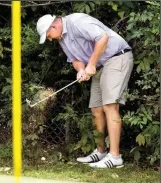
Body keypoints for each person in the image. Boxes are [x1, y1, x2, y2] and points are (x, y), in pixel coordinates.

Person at [36, 13, 133, 168]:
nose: (49, 38)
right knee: (96, 109)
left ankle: (115, 157)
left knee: (110, 106)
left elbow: (102, 38)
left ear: (53, 26)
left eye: (48, 35)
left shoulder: (77, 21)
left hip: (116, 58)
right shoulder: (62, 38)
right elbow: (75, 59)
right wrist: (81, 69)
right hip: (98, 66)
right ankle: (101, 152)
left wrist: (91, 64)